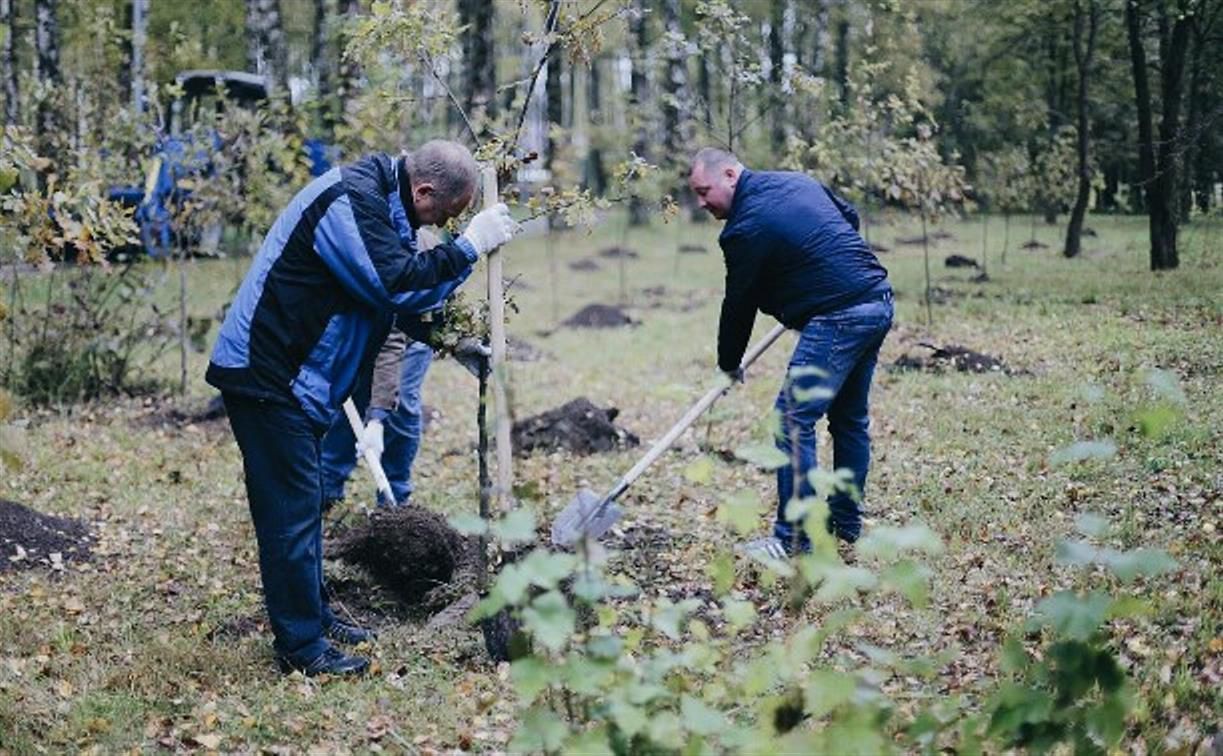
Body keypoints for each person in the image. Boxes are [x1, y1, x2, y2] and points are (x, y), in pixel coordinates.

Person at [206, 140, 519, 677]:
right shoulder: (351, 202)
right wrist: (468, 248)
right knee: (292, 513)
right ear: (423, 191)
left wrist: (452, 339)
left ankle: (315, 614)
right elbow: (393, 282)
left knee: (303, 509)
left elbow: (382, 297)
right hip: (268, 375)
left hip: (295, 378)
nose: (443, 226)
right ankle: (301, 649)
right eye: (444, 215)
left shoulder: (385, 204)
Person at [688, 147, 893, 558]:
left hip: (840, 317)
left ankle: (792, 539)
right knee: (849, 421)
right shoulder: (796, 181)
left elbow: (739, 303)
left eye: (704, 190)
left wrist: (728, 365)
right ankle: (847, 525)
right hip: (878, 301)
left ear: (730, 174)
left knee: (792, 421)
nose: (700, 202)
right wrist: (816, 271)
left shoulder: (744, 228)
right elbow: (847, 217)